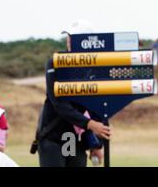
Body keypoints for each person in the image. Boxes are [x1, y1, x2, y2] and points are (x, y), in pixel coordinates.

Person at [37, 20, 111, 167]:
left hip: (77, 140)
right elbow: (59, 104)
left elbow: (99, 107)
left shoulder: (96, 68)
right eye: (69, 36)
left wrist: (97, 144)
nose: (69, 40)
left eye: (74, 37)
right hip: (53, 137)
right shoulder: (55, 63)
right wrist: (90, 124)